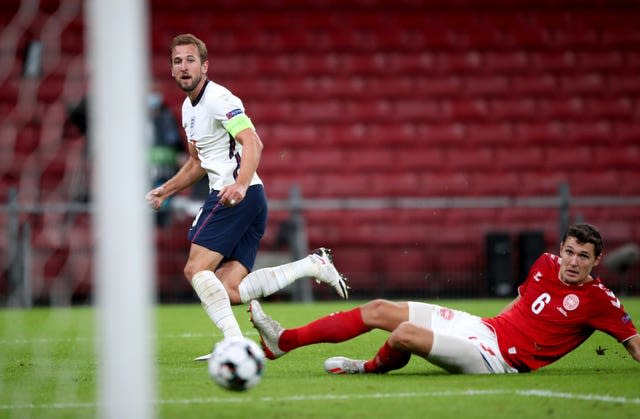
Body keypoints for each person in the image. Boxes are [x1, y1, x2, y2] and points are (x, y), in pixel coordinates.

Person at [145, 34, 348, 358]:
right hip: (248, 198)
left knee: (195, 270)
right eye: (177, 61)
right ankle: (313, 265)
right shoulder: (187, 109)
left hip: (235, 195)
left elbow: (252, 141)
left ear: (205, 66)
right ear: (171, 69)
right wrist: (165, 191)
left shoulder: (219, 99)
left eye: (190, 60)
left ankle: (234, 344)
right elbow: (198, 162)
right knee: (229, 288)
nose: (184, 67)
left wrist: (238, 184)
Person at [250, 223, 640, 374]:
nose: (572, 262)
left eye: (583, 256)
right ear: (562, 248)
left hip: (497, 359)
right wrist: (486, 327)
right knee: (378, 309)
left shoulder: (600, 299)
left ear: (596, 260)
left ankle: (365, 367)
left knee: (404, 334)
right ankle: (283, 342)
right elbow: (520, 306)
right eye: (570, 251)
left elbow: (635, 346)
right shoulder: (544, 263)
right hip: (485, 330)